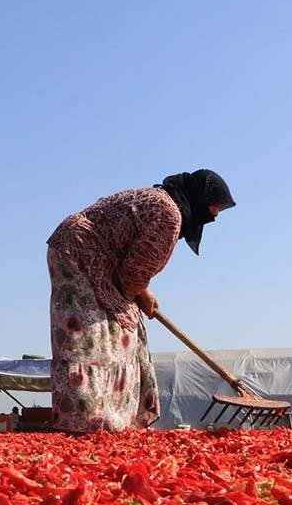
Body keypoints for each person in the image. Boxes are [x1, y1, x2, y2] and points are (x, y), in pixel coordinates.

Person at [46, 169, 236, 432]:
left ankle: (109, 421)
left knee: (125, 329)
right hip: (80, 254)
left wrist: (141, 293)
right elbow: (132, 275)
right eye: (216, 206)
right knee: (94, 336)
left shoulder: (163, 203)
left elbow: (132, 270)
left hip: (83, 251)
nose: (215, 214)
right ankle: (85, 423)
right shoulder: (169, 216)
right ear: (200, 199)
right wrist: (143, 293)